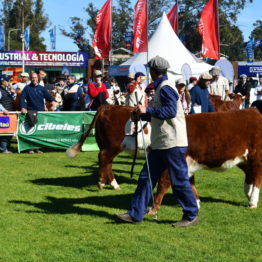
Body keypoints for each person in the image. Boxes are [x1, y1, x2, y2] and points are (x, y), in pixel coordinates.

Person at [116, 56, 199, 227]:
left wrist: (147, 109)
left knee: (179, 181)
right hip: (162, 142)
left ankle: (191, 215)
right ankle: (135, 214)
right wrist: (142, 114)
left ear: (153, 71)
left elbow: (169, 111)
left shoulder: (165, 87)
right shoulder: (163, 86)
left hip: (172, 143)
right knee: (146, 178)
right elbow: (160, 112)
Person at [20, 72, 57, 153]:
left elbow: (49, 97)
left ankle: (38, 148)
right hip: (31, 111)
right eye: (32, 78)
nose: (34, 79)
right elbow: (22, 99)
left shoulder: (42, 88)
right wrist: (23, 107)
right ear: (30, 78)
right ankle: (30, 148)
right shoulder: (27, 88)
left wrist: (53, 102)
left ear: (38, 78)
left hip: (41, 112)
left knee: (39, 131)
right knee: (31, 130)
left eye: (35, 77)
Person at [0, 75, 16, 153]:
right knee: (4, 132)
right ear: (3, 82)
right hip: (3, 114)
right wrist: (3, 109)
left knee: (10, 131)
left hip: (9, 113)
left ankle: (6, 147)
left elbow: (13, 99)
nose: (9, 83)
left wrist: (13, 93)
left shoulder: (7, 89)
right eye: (8, 81)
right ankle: (3, 149)